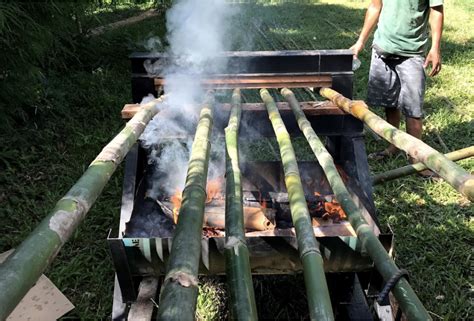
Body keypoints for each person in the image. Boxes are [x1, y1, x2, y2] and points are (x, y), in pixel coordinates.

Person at [350, 0, 444, 165]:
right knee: (390, 103)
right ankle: (393, 145)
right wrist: (360, 41)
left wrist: (435, 48)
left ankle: (416, 158)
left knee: (413, 109)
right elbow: (375, 6)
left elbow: (436, 10)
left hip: (412, 52)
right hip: (383, 48)